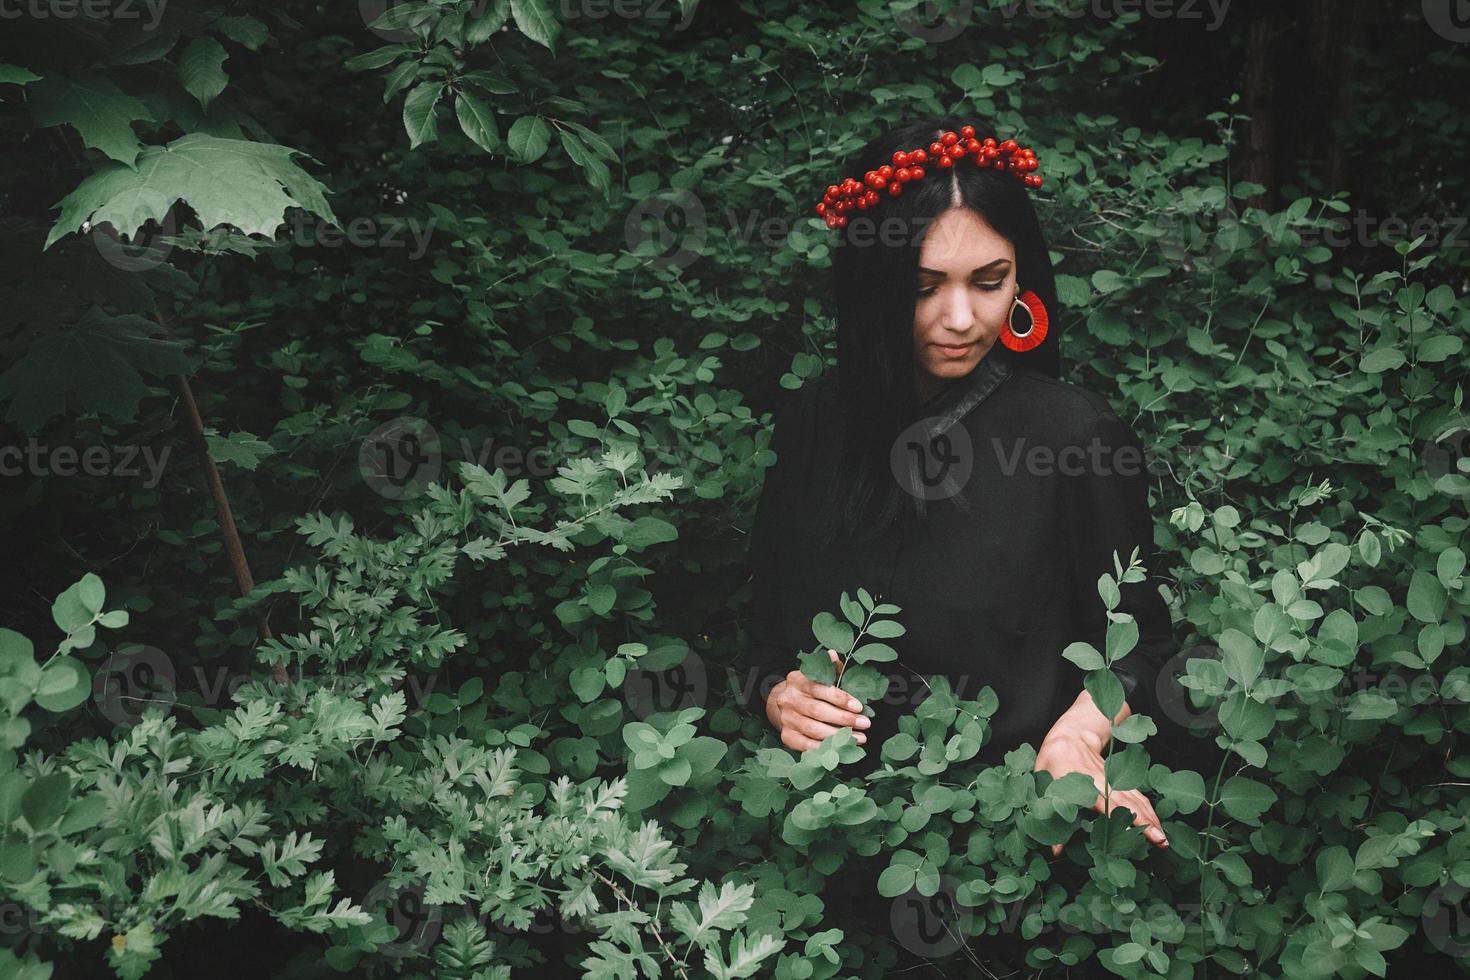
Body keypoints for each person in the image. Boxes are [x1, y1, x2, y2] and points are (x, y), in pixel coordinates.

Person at [740, 117, 1182, 976]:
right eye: (922, 286)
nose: (958, 318)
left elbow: (1144, 648)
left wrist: (1078, 740)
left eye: (989, 281)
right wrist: (777, 699)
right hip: (825, 880)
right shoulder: (815, 425)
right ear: (872, 286)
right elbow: (760, 641)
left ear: (1023, 280)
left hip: (1015, 875)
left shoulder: (1075, 436)